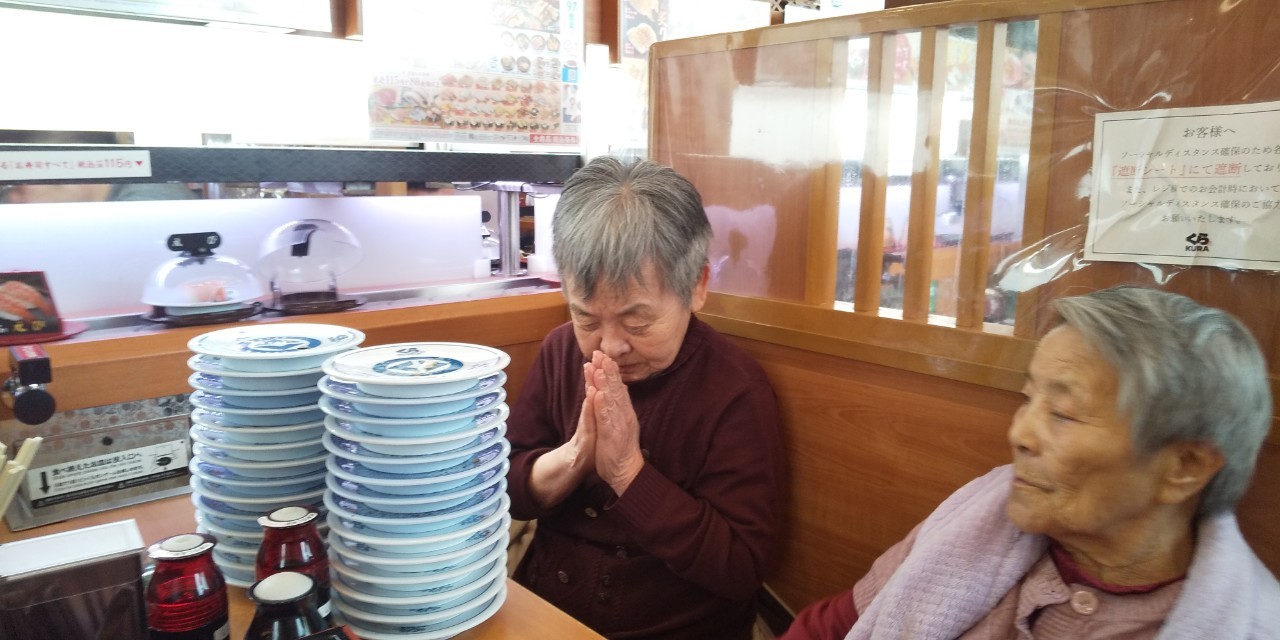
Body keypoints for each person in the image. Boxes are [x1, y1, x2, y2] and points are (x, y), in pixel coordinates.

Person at [783, 285, 1279, 639]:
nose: (1018, 433)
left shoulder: (1248, 624)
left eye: (1063, 413)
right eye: (1027, 398)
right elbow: (833, 626)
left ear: (1185, 466)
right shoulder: (978, 516)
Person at [506, 156, 788, 639]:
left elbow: (740, 567)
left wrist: (627, 473)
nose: (609, 346)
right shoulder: (559, 352)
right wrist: (573, 458)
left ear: (697, 286)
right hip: (544, 614)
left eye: (637, 322)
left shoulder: (734, 390)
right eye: (586, 318)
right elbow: (505, 488)